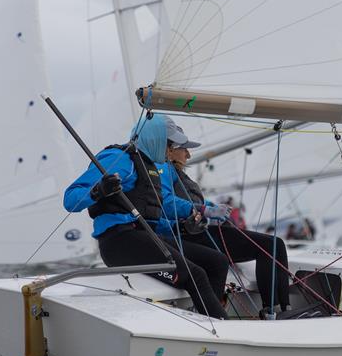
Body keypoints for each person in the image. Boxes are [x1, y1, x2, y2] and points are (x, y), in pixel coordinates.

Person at [63, 114, 229, 319]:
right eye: (169, 145)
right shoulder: (121, 160)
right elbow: (70, 199)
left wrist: (184, 226)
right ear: (156, 141)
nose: (171, 151)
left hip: (142, 236)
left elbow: (154, 213)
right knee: (196, 275)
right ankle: (221, 328)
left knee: (216, 261)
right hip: (119, 242)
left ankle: (212, 319)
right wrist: (98, 191)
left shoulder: (149, 166)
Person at [162, 119, 292, 318]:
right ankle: (273, 312)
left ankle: (281, 310)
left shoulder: (178, 174)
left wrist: (215, 211)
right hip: (189, 235)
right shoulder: (164, 171)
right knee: (270, 245)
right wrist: (206, 211)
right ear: (169, 151)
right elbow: (166, 203)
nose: (188, 154)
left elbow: (196, 202)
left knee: (274, 245)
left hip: (200, 233)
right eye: (184, 149)